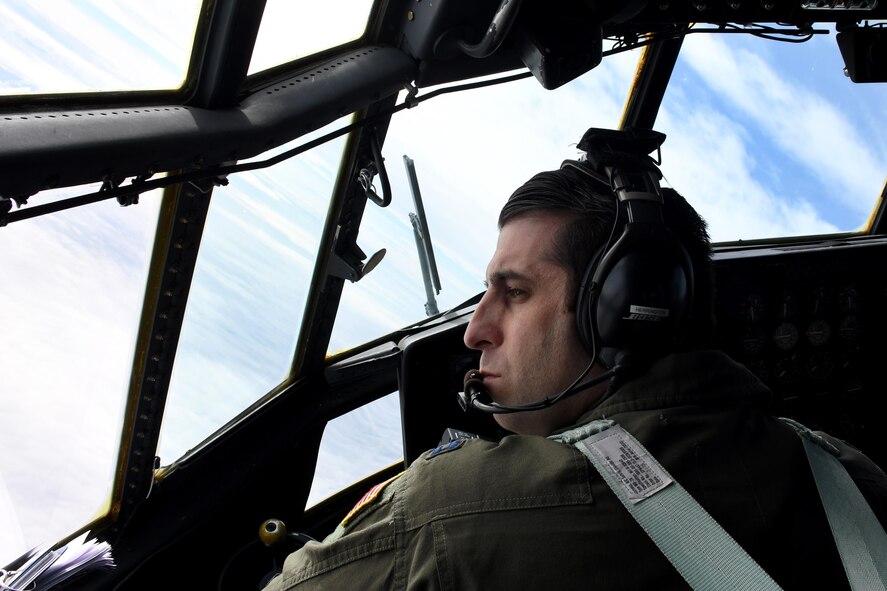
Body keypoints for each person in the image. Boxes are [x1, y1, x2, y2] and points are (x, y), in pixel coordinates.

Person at [262, 128, 887, 590]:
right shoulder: (854, 480)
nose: (476, 330)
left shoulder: (450, 516)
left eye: (515, 293)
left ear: (623, 311)